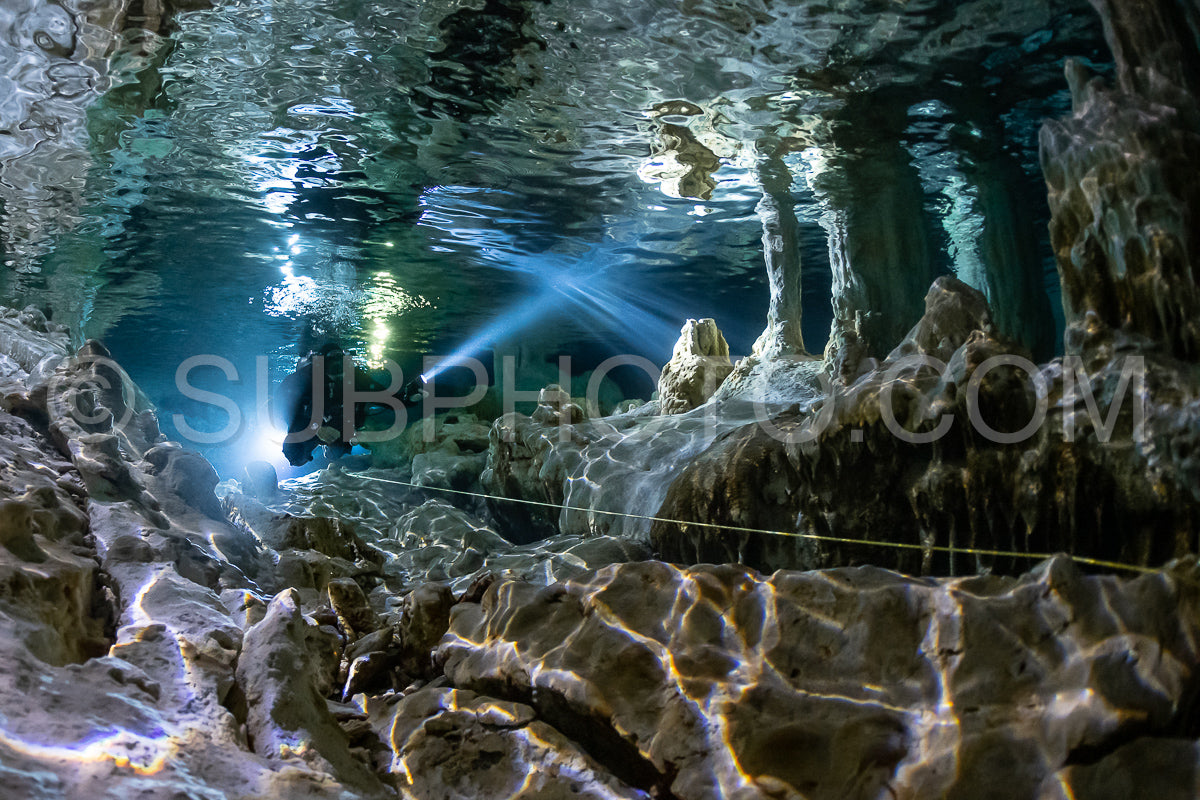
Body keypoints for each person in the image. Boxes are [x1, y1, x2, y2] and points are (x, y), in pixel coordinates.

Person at [276, 343, 425, 466]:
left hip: (339, 423)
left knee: (339, 454)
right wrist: (315, 428)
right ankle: (320, 444)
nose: (339, 377)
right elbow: (290, 413)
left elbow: (384, 398)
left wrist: (408, 399)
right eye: (333, 372)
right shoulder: (305, 380)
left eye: (341, 370)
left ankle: (333, 448)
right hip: (312, 424)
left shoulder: (356, 377)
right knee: (294, 455)